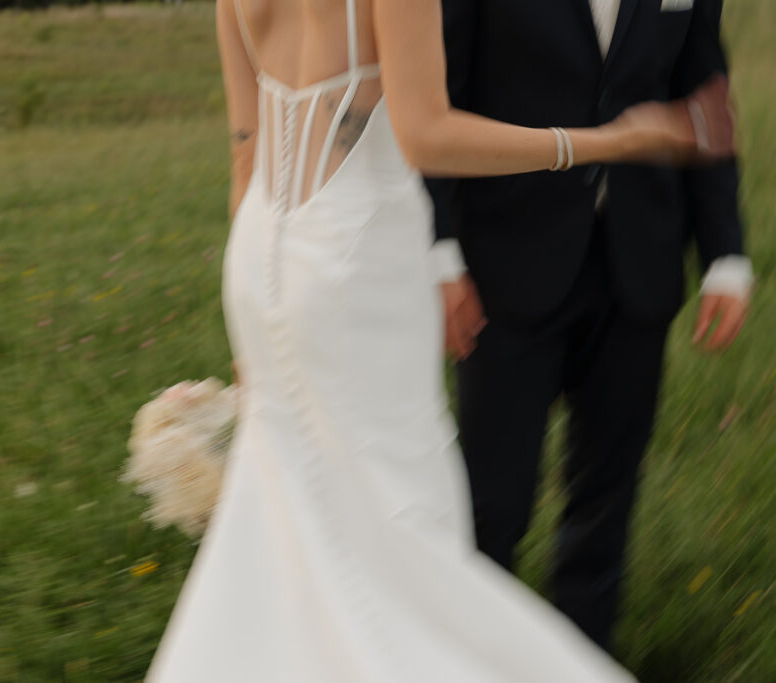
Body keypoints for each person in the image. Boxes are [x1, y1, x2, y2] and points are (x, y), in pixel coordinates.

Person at [144, 1, 734, 680]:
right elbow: (428, 135)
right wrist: (609, 141)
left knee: (291, 496)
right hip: (355, 257)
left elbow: (246, 151)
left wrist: (256, 332)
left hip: (261, 256)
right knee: (402, 509)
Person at [426, 0, 751, 650]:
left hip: (640, 259)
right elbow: (438, 99)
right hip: (504, 263)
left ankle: (578, 657)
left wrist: (727, 252)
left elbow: (702, 91)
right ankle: (469, 657)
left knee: (606, 496)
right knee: (493, 500)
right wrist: (441, 251)